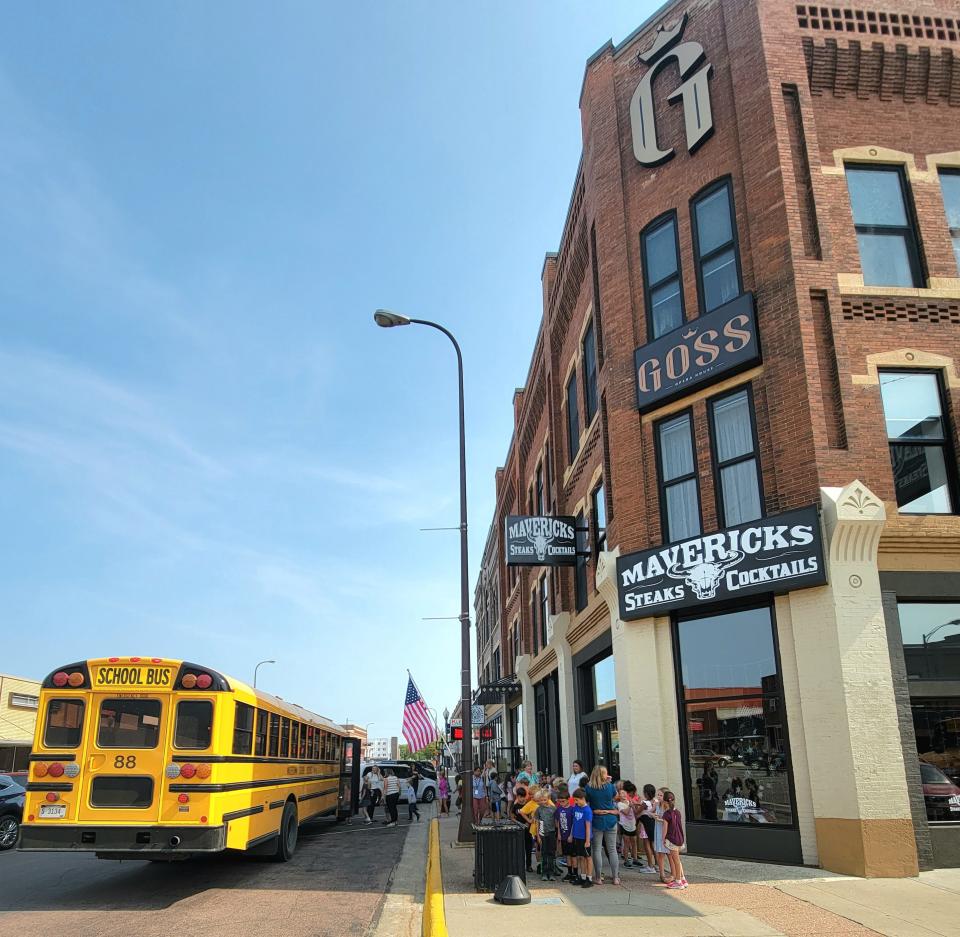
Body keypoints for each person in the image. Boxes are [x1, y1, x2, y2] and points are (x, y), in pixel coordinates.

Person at [584, 765, 620, 885]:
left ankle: (598, 877)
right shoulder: (610, 786)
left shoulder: (588, 788)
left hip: (596, 819)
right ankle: (615, 877)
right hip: (610, 819)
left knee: (597, 849)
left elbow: (585, 802)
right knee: (612, 849)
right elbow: (616, 797)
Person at [660, 790, 687, 889]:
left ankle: (678, 882)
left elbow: (665, 828)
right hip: (679, 838)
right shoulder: (678, 812)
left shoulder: (666, 814)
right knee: (678, 860)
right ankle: (683, 879)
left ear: (665, 802)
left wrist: (663, 839)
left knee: (676, 860)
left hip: (672, 839)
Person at [567, 787, 593, 887]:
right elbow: (574, 822)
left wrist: (587, 840)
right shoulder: (576, 808)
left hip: (584, 838)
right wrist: (571, 834)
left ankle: (589, 878)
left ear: (582, 798)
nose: (575, 802)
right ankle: (582, 877)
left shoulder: (587, 810)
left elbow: (588, 827)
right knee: (580, 857)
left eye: (577, 800)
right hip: (576, 836)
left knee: (588, 858)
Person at [533, 789, 558, 881]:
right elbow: (537, 823)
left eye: (544, 799)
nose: (542, 802)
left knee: (551, 852)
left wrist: (557, 833)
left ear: (548, 798)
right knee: (543, 853)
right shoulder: (538, 810)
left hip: (551, 833)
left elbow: (556, 822)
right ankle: (544, 873)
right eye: (540, 800)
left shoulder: (553, 808)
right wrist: (538, 835)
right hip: (542, 833)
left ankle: (551, 872)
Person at [510, 786, 534, 872]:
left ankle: (529, 865)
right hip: (519, 829)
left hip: (528, 830)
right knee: (519, 848)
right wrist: (518, 823)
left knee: (528, 848)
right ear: (517, 797)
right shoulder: (516, 806)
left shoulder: (528, 804)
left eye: (523, 797)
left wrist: (529, 822)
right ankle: (519, 865)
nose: (522, 799)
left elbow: (532, 815)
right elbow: (512, 817)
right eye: (520, 797)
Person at [617, 780, 639, 868]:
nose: (623, 794)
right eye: (621, 793)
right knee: (626, 843)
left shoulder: (630, 802)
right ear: (619, 795)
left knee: (634, 842)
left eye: (624, 793)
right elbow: (626, 812)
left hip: (632, 824)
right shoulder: (619, 804)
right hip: (624, 825)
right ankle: (626, 860)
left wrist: (636, 805)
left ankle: (635, 859)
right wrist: (630, 806)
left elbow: (635, 811)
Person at [638, 784, 658, 872]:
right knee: (653, 845)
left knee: (647, 846)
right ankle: (657, 864)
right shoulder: (655, 801)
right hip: (653, 825)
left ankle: (650, 865)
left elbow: (637, 812)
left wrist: (633, 805)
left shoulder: (645, 803)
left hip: (645, 826)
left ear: (646, 793)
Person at [652, 787, 669, 881]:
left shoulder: (667, 806)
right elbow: (650, 812)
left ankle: (674, 874)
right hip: (658, 830)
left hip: (665, 831)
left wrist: (660, 819)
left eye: (661, 795)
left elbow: (668, 820)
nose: (658, 796)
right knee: (660, 853)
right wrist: (653, 815)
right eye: (658, 794)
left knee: (670, 854)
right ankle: (662, 874)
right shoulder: (657, 804)